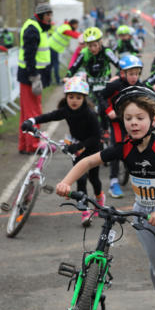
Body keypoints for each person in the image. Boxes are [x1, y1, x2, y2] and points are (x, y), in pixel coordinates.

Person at [56, 86, 155, 310]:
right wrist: (66, 182)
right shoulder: (124, 147)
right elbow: (89, 161)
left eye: (140, 118)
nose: (134, 123)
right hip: (143, 216)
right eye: (128, 118)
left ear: (153, 120)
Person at [21, 77, 103, 226]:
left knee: (93, 178)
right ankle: (84, 210)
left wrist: (78, 146)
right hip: (76, 149)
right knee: (81, 179)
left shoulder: (90, 114)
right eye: (71, 97)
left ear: (84, 98)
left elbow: (97, 137)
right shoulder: (66, 111)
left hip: (92, 149)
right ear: (66, 97)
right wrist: (31, 121)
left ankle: (99, 199)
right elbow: (49, 116)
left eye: (78, 97)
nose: (74, 101)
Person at [101, 55, 144, 198]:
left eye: (137, 74)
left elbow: (152, 95)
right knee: (117, 148)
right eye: (131, 74)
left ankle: (141, 177)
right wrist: (109, 110)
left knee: (141, 146)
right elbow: (102, 97)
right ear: (122, 73)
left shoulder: (140, 85)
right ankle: (113, 181)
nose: (134, 77)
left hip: (133, 122)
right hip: (117, 121)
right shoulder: (115, 85)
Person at [66, 27, 120, 134]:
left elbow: (118, 64)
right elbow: (75, 66)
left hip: (105, 86)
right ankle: (94, 131)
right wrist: (68, 76)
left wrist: (118, 75)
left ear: (100, 42)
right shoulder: (84, 53)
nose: (93, 48)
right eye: (90, 46)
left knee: (104, 109)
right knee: (91, 109)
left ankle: (106, 131)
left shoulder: (107, 52)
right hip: (91, 86)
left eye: (95, 45)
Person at [17, 2, 53, 154]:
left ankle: (24, 145)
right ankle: (32, 145)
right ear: (40, 15)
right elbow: (29, 55)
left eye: (50, 14)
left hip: (30, 75)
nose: (50, 17)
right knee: (33, 112)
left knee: (27, 112)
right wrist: (34, 76)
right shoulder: (33, 29)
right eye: (47, 15)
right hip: (31, 76)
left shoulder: (37, 26)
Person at [46, 19, 80, 86]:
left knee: (51, 65)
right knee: (55, 65)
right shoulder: (66, 28)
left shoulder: (65, 26)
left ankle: (49, 81)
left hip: (52, 47)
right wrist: (83, 36)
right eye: (76, 25)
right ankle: (57, 81)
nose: (77, 27)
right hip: (53, 47)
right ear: (73, 24)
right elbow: (73, 34)